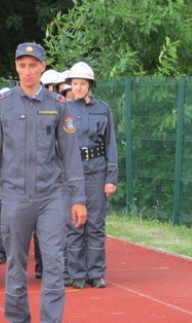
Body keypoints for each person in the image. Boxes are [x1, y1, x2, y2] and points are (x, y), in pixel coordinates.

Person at [0, 42, 87, 323]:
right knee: (15, 265)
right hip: (14, 196)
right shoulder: (1, 104)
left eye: (33, 65)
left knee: (54, 261)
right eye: (22, 65)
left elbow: (70, 155)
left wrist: (77, 198)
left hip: (51, 196)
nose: (28, 71)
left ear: (43, 67)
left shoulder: (58, 104)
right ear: (16, 67)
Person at [65, 62, 118, 289]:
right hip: (73, 171)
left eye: (82, 83)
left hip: (97, 169)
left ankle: (95, 272)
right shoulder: (64, 109)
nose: (78, 87)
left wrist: (111, 177)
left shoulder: (102, 109)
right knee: (75, 222)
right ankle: (76, 273)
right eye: (75, 83)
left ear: (90, 85)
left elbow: (110, 143)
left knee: (96, 223)